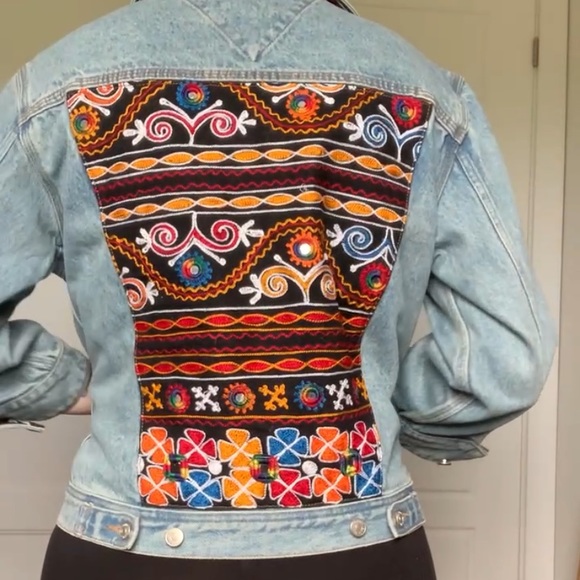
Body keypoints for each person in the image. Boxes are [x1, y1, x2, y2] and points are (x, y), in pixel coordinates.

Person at [0, 0, 557, 579]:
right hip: (360, 546)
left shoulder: (57, 88)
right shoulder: (425, 96)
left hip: (129, 544)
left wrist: (64, 382)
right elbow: (506, 360)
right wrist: (382, 402)